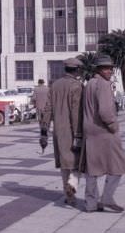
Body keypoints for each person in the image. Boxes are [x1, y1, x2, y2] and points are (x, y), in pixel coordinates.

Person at [81, 55, 125, 213]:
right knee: (119, 166)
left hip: (90, 132)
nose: (109, 71)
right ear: (98, 69)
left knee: (92, 170)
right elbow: (105, 111)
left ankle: (91, 204)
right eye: (105, 68)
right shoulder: (103, 84)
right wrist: (113, 125)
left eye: (110, 68)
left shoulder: (90, 83)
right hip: (104, 131)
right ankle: (107, 198)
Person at [40, 57, 84, 205]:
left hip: (58, 132)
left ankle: (69, 197)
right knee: (78, 162)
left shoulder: (55, 85)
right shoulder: (77, 86)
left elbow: (48, 109)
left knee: (64, 165)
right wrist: (78, 134)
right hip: (73, 131)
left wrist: (44, 129)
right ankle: (72, 184)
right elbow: (76, 112)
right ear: (77, 70)